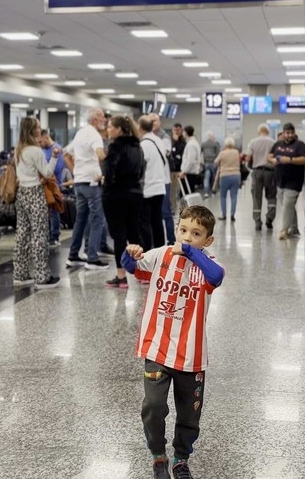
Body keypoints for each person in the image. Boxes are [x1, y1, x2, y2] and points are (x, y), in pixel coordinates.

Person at [121, 205, 225, 479]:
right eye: (183, 230)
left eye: (196, 233)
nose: (187, 237)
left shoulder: (210, 263)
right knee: (153, 406)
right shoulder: (162, 254)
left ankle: (181, 459)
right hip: (157, 347)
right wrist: (128, 254)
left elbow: (216, 277)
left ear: (208, 240)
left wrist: (190, 252)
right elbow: (134, 268)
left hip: (192, 356)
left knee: (189, 415)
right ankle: (158, 455)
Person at [13, 117, 61, 288]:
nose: (41, 129)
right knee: (40, 235)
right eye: (38, 127)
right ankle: (42, 276)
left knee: (22, 234)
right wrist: (54, 156)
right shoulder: (35, 150)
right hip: (34, 193)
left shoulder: (19, 149)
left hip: (22, 194)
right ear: (32, 130)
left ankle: (20, 274)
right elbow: (47, 173)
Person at [102, 116, 145, 288]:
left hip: (116, 195)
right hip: (135, 193)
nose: (108, 130)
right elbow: (141, 170)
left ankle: (121, 277)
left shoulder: (116, 146)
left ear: (119, 129)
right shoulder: (137, 146)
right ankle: (143, 272)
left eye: (110, 127)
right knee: (134, 234)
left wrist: (107, 187)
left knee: (119, 235)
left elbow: (110, 169)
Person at [64, 108, 109, 271]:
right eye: (103, 116)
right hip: (91, 182)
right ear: (96, 119)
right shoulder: (95, 135)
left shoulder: (80, 133)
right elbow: (101, 154)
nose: (105, 119)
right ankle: (92, 258)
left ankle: (73, 255)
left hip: (79, 182)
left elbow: (66, 155)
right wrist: (106, 171)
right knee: (97, 219)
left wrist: (77, 171)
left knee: (81, 219)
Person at [269, 123, 305, 240]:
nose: (290, 135)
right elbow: (269, 156)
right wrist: (272, 160)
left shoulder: (300, 145)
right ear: (283, 133)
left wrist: (290, 160)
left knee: (287, 205)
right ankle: (294, 228)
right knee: (288, 206)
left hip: (294, 182)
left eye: (292, 133)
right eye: (287, 133)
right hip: (280, 181)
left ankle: (283, 230)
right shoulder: (277, 144)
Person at [139, 116, 168, 252]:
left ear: (140, 127)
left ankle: (147, 250)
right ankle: (160, 249)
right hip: (160, 187)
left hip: (147, 189)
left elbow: (141, 167)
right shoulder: (159, 141)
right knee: (157, 220)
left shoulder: (144, 144)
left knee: (145, 222)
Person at [150, 113, 176, 245]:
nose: (153, 123)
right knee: (153, 214)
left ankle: (171, 241)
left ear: (159, 122)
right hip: (151, 182)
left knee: (166, 212)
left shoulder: (164, 138)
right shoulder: (147, 137)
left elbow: (164, 153)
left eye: (155, 121)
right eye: (151, 121)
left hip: (163, 181)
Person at [244, 124, 277, 231]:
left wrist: (250, 165)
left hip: (257, 171)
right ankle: (269, 220)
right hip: (270, 172)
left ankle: (257, 222)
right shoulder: (273, 142)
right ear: (268, 131)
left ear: (259, 132)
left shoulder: (253, 142)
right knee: (271, 196)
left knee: (256, 197)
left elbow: (248, 157)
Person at [39, 130, 65, 248]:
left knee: (54, 211)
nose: (39, 144)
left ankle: (55, 237)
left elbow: (57, 169)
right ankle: (48, 235)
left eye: (40, 141)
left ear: (46, 137)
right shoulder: (43, 150)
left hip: (54, 185)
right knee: (46, 212)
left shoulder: (57, 149)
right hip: (43, 185)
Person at [214, 137, 241, 222]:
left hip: (224, 176)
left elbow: (216, 162)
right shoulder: (236, 152)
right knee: (234, 196)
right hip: (236, 176)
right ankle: (232, 214)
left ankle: (224, 214)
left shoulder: (222, 153)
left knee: (223, 196)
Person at [178, 125, 202, 193]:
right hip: (190, 173)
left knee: (186, 195)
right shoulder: (193, 143)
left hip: (189, 174)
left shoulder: (191, 144)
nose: (182, 134)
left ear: (186, 133)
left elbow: (190, 160)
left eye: (183, 132)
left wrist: (184, 171)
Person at [169, 123, 186, 210]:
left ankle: (178, 207)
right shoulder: (169, 140)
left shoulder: (182, 141)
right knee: (172, 190)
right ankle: (172, 207)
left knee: (179, 190)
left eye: (178, 130)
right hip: (171, 168)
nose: (176, 132)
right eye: (174, 130)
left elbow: (180, 151)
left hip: (179, 168)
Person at [200, 131, 220, 198]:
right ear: (212, 137)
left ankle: (206, 192)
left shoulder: (203, 144)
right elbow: (218, 154)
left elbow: (200, 152)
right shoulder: (215, 144)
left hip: (206, 163)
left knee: (206, 177)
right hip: (213, 163)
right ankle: (213, 191)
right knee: (214, 178)